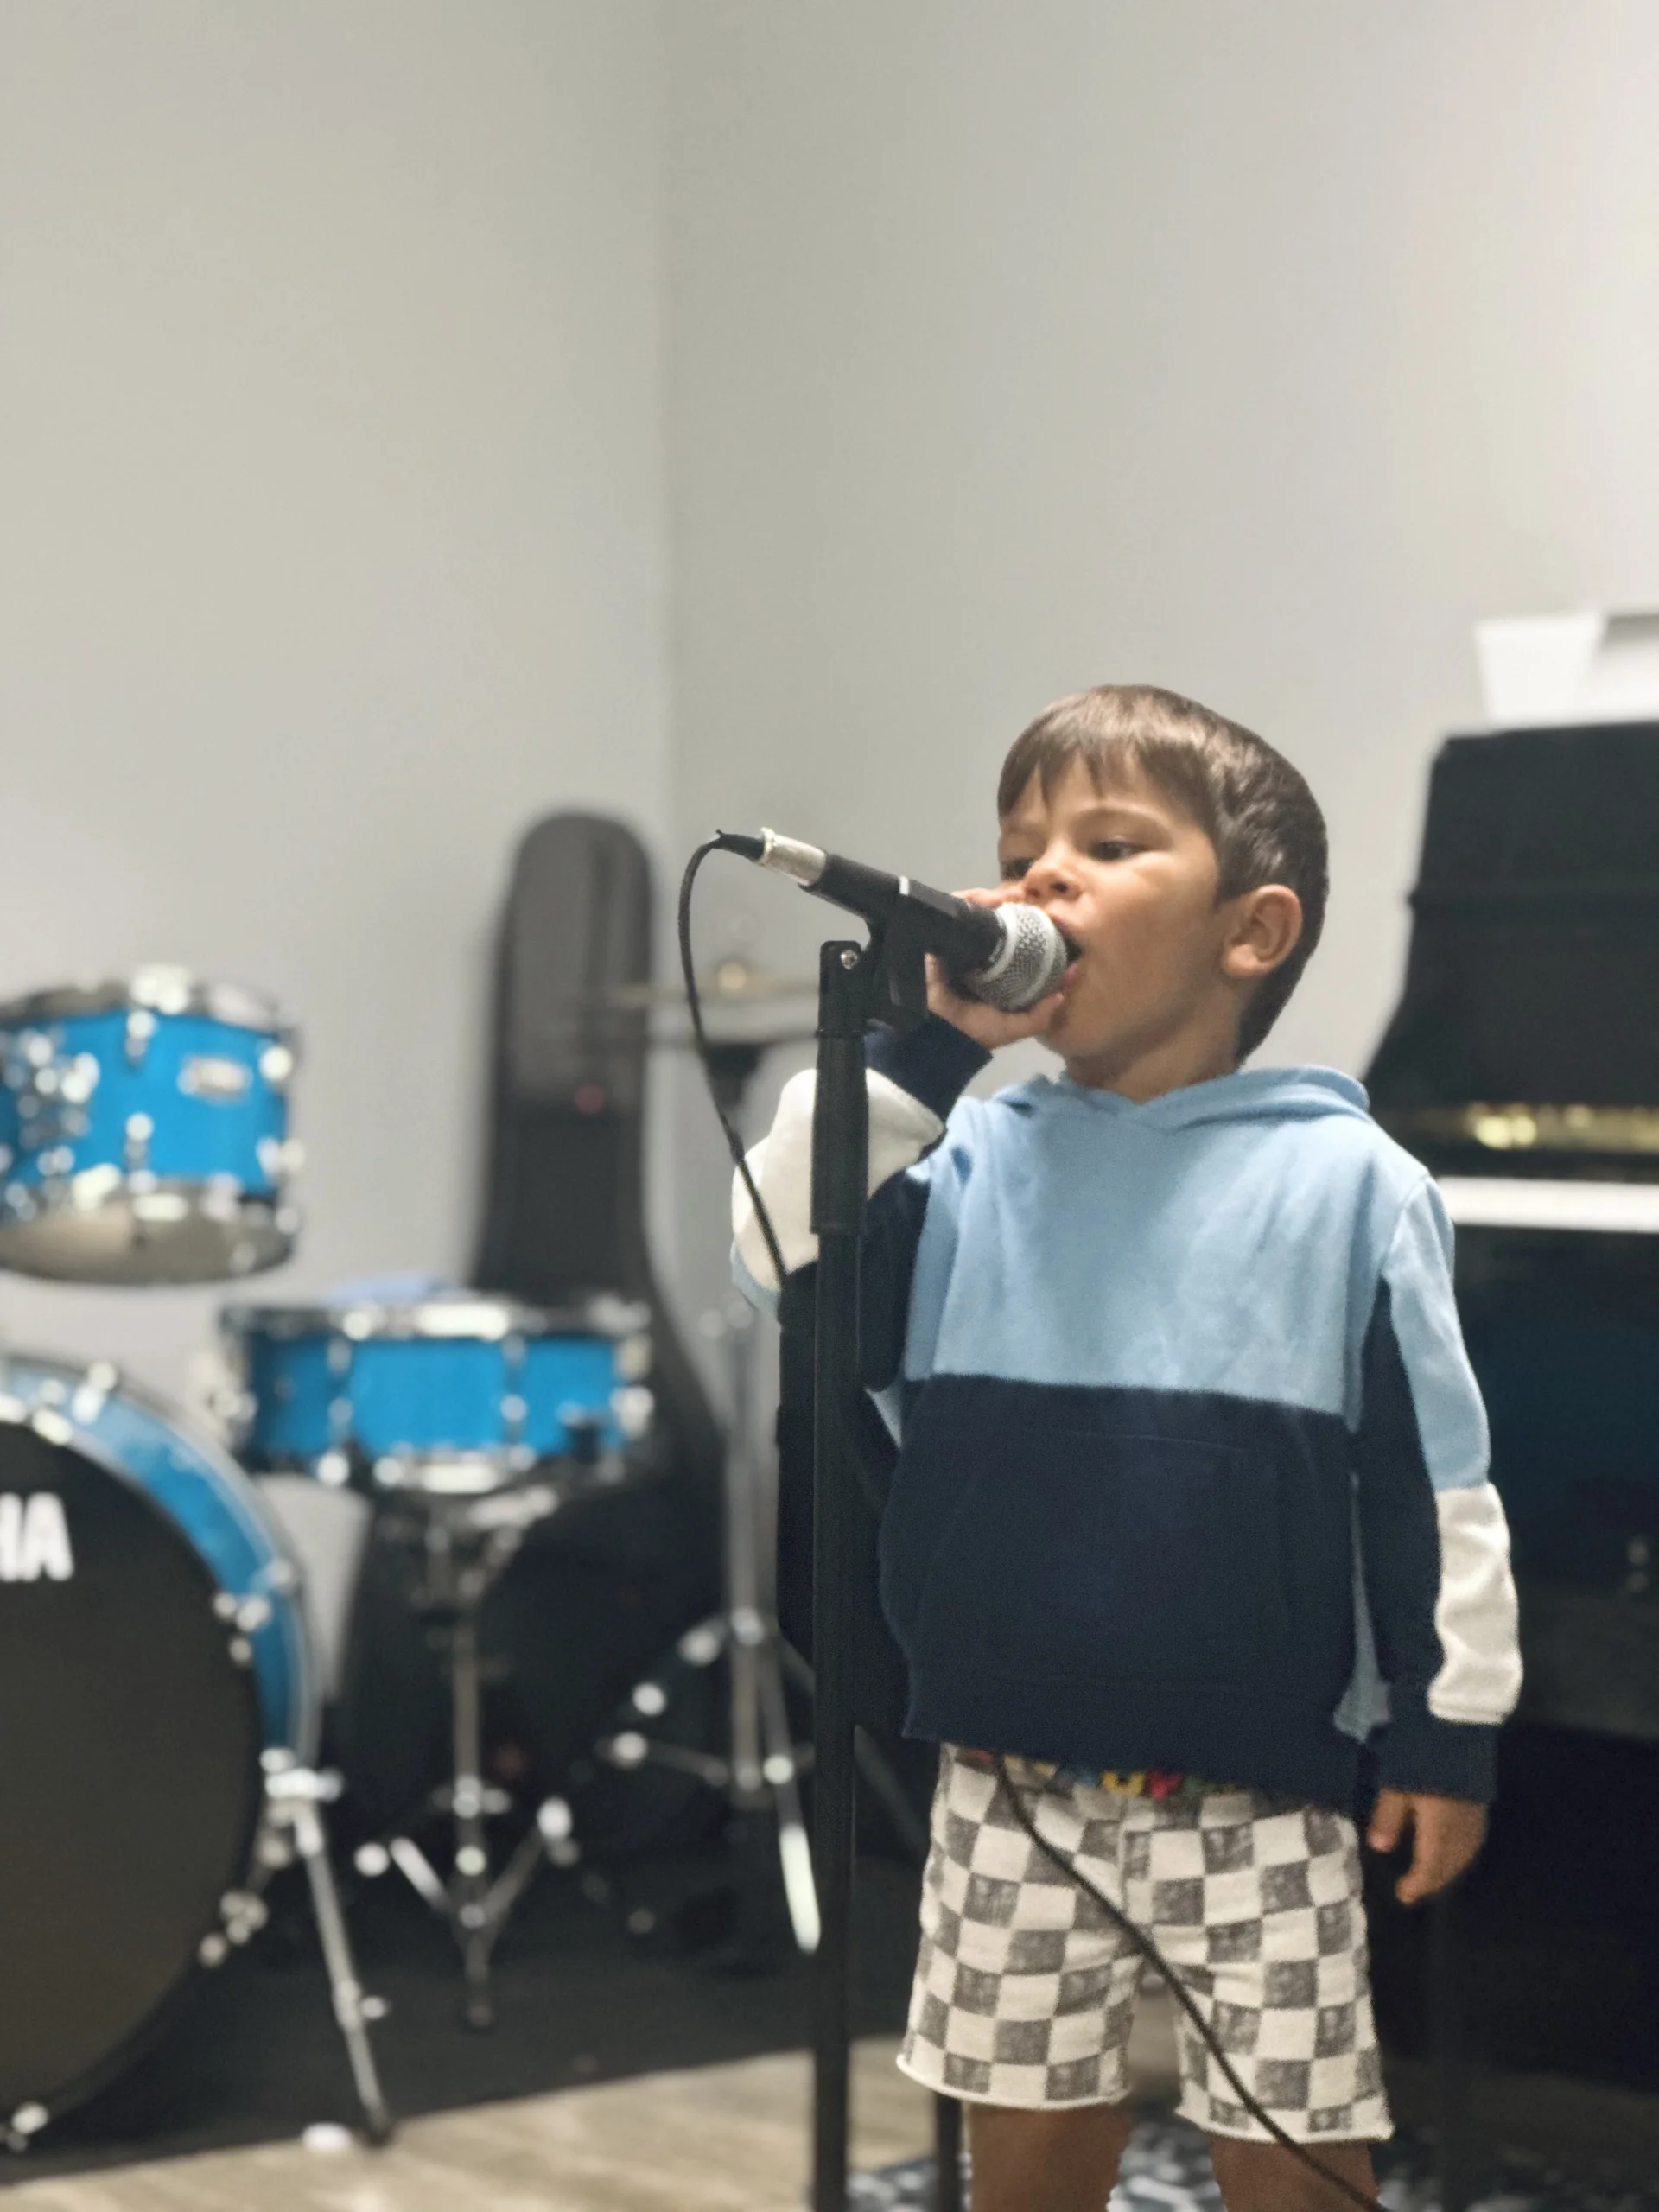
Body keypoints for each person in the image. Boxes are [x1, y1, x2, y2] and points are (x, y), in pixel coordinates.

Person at [732, 684, 1522, 2212]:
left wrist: (1445, 1729)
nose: (1037, 882)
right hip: (1003, 1765)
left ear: (1253, 931)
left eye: (1104, 843)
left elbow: (1438, 1487)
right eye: (1020, 851)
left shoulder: (1350, 1181)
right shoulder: (966, 1161)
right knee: (1020, 2133)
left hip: (1258, 1779)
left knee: (1292, 2140)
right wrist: (921, 1052)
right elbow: (779, 1254)